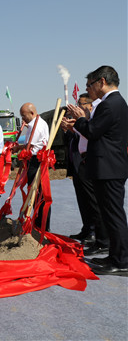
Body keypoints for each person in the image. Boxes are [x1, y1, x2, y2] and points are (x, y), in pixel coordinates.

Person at [65, 65, 128, 277]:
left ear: (102, 81)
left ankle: (122, 260)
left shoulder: (110, 104)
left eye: (90, 84)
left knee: (114, 216)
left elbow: (92, 132)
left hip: (109, 168)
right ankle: (114, 256)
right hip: (107, 166)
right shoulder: (114, 103)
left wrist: (81, 119)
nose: (88, 89)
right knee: (109, 215)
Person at [61, 93, 107, 248]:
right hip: (77, 165)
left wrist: (75, 127)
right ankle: (86, 228)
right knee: (82, 200)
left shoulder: (92, 120)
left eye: (80, 104)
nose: (78, 107)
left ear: (89, 105)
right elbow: (73, 140)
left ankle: (95, 233)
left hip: (88, 163)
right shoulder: (81, 121)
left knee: (92, 201)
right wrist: (68, 129)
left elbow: (88, 136)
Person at [13, 102, 50, 231]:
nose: (22, 118)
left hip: (37, 161)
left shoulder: (38, 125)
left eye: (24, 115)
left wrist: (21, 149)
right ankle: (37, 222)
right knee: (33, 193)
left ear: (32, 113)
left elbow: (32, 146)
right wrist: (20, 148)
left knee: (39, 194)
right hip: (31, 160)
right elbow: (29, 144)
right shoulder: (32, 125)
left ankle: (42, 225)